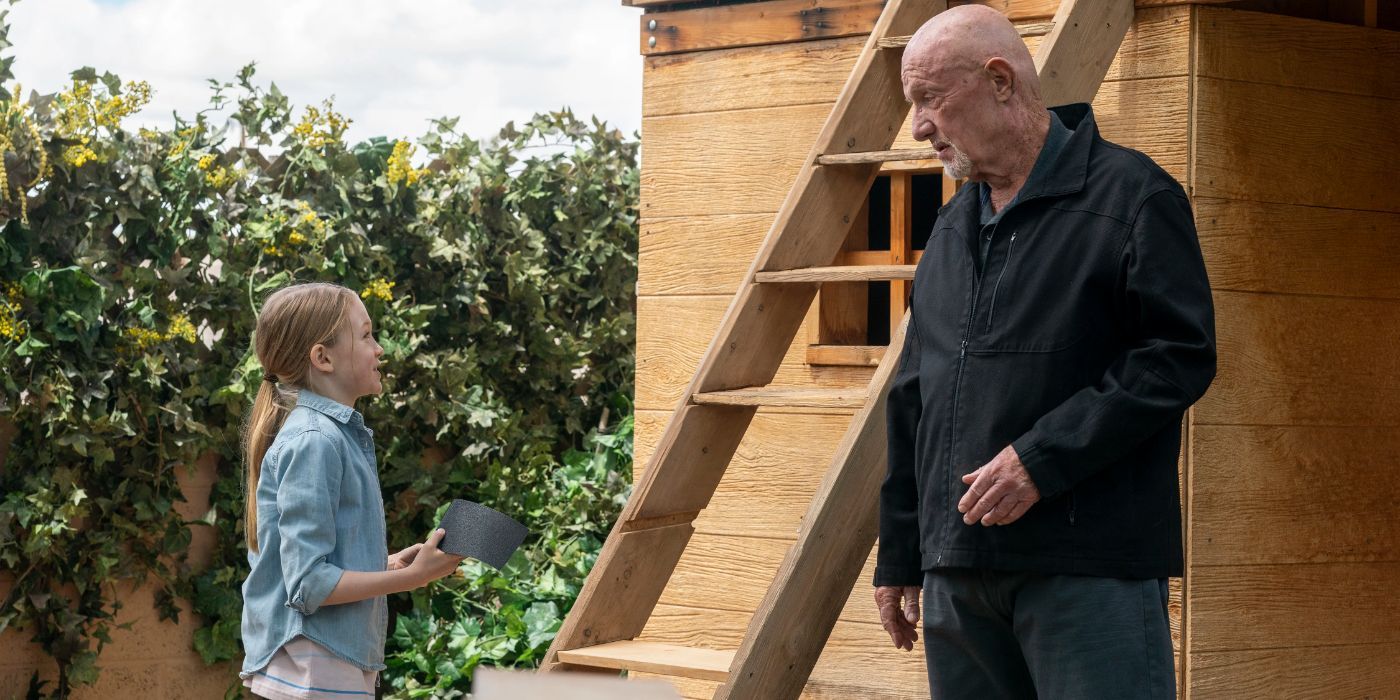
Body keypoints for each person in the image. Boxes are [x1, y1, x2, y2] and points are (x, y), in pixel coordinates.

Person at [873, 6, 1216, 699]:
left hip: (1085, 573)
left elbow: (1179, 354)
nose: (918, 127)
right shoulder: (950, 225)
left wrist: (1042, 460)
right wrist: (902, 549)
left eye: (929, 99)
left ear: (1000, 81)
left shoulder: (1133, 196)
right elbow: (916, 392)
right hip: (959, 580)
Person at [240, 282, 463, 700]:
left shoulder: (332, 436)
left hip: (326, 664)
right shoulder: (315, 440)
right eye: (365, 335)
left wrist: (392, 565)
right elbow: (309, 584)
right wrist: (413, 578)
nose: (379, 349)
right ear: (322, 358)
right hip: (314, 670)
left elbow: (322, 563)